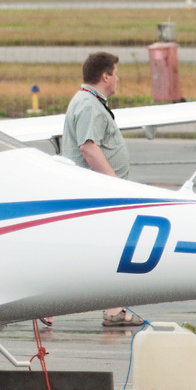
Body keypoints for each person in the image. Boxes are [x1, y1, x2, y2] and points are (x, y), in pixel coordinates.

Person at [62, 51, 140, 327]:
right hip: (98, 195)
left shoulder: (89, 101)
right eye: (116, 73)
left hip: (95, 192)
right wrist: (113, 183)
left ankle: (113, 308)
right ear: (105, 76)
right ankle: (112, 310)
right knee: (107, 252)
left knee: (99, 252)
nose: (118, 78)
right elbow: (87, 146)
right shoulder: (89, 105)